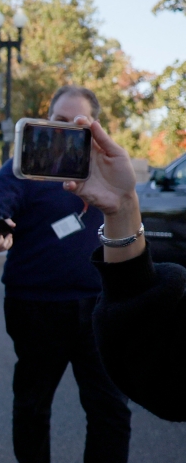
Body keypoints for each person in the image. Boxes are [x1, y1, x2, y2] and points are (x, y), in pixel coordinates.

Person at [0, 86, 160, 463]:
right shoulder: (25, 167)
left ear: (94, 128)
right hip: (36, 305)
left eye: (77, 123)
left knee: (110, 408)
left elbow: (131, 229)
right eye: (57, 120)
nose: (65, 130)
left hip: (100, 307)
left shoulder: (107, 169)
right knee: (34, 400)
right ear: (45, 120)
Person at [64, 117, 186, 423]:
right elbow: (162, 374)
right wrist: (122, 207)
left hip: (90, 300)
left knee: (108, 414)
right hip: (43, 304)